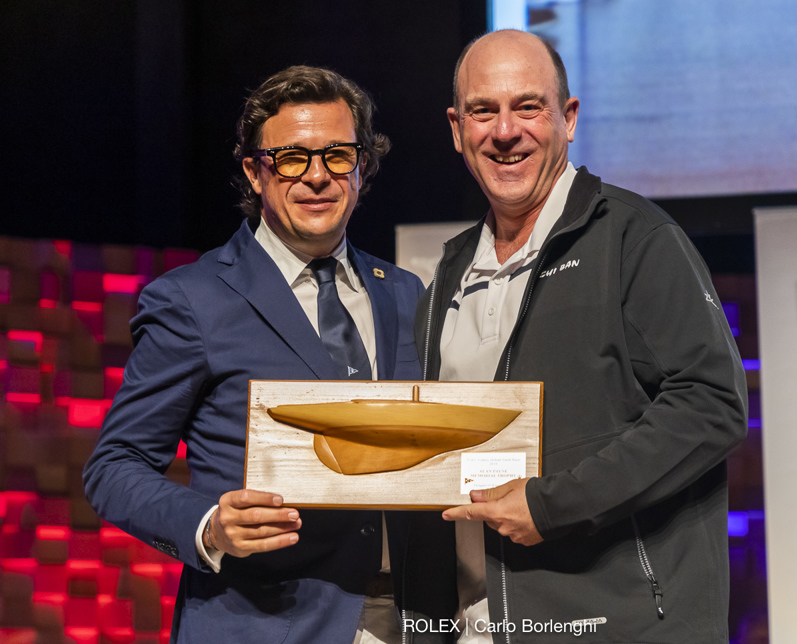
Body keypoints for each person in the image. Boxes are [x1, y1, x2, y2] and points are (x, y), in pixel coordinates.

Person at [84, 65, 451, 643]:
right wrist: (209, 527)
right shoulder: (192, 299)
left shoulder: (405, 292)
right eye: (291, 158)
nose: (316, 177)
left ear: (361, 170)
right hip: (265, 621)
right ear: (257, 173)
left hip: (409, 619)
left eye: (337, 155)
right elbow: (115, 466)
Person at [415, 31, 748, 642]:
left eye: (529, 107)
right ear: (457, 129)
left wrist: (552, 505)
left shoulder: (635, 239)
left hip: (621, 624)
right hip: (480, 625)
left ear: (568, 118)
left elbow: (711, 404)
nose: (505, 131)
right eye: (483, 111)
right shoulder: (448, 273)